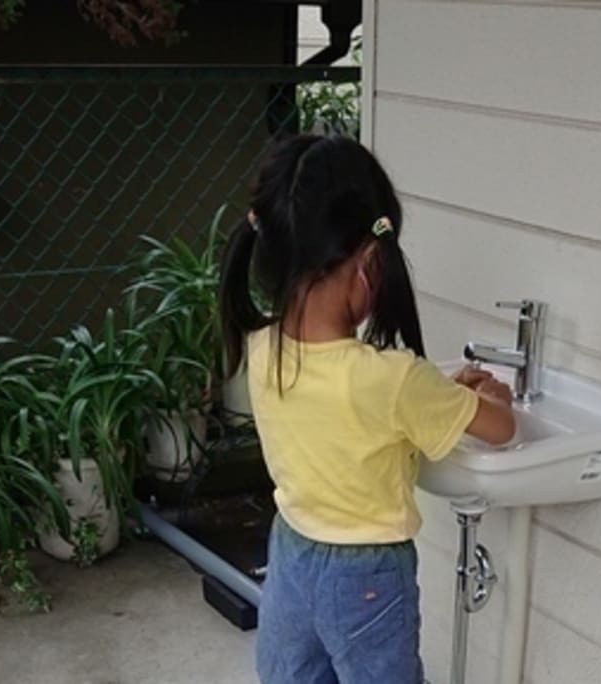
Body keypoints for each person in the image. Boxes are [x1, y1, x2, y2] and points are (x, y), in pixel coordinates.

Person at [220, 135, 516, 684]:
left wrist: (443, 393)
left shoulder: (261, 350)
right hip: (367, 576)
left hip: (290, 554)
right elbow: (500, 429)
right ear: (368, 263)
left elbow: (346, 413)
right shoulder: (394, 379)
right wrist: (492, 395)